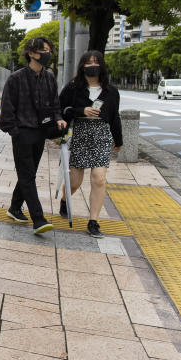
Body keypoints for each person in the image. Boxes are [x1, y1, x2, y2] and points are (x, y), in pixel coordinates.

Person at [0, 36, 67, 234]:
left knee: (28, 174)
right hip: (22, 133)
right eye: (42, 50)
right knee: (28, 176)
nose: (46, 54)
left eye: (49, 50)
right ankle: (39, 219)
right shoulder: (16, 78)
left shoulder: (49, 77)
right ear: (31, 53)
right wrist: (14, 131)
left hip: (40, 132)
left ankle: (14, 207)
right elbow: (7, 109)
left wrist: (58, 118)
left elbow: (55, 105)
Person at [58, 51, 122, 238]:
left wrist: (118, 140)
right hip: (80, 134)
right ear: (82, 66)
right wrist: (81, 111)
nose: (92, 65)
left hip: (101, 135)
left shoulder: (111, 91)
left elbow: (115, 117)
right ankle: (65, 199)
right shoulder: (73, 87)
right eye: (88, 62)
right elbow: (61, 109)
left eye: (96, 62)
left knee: (99, 178)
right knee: (75, 181)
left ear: (102, 66)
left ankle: (93, 221)